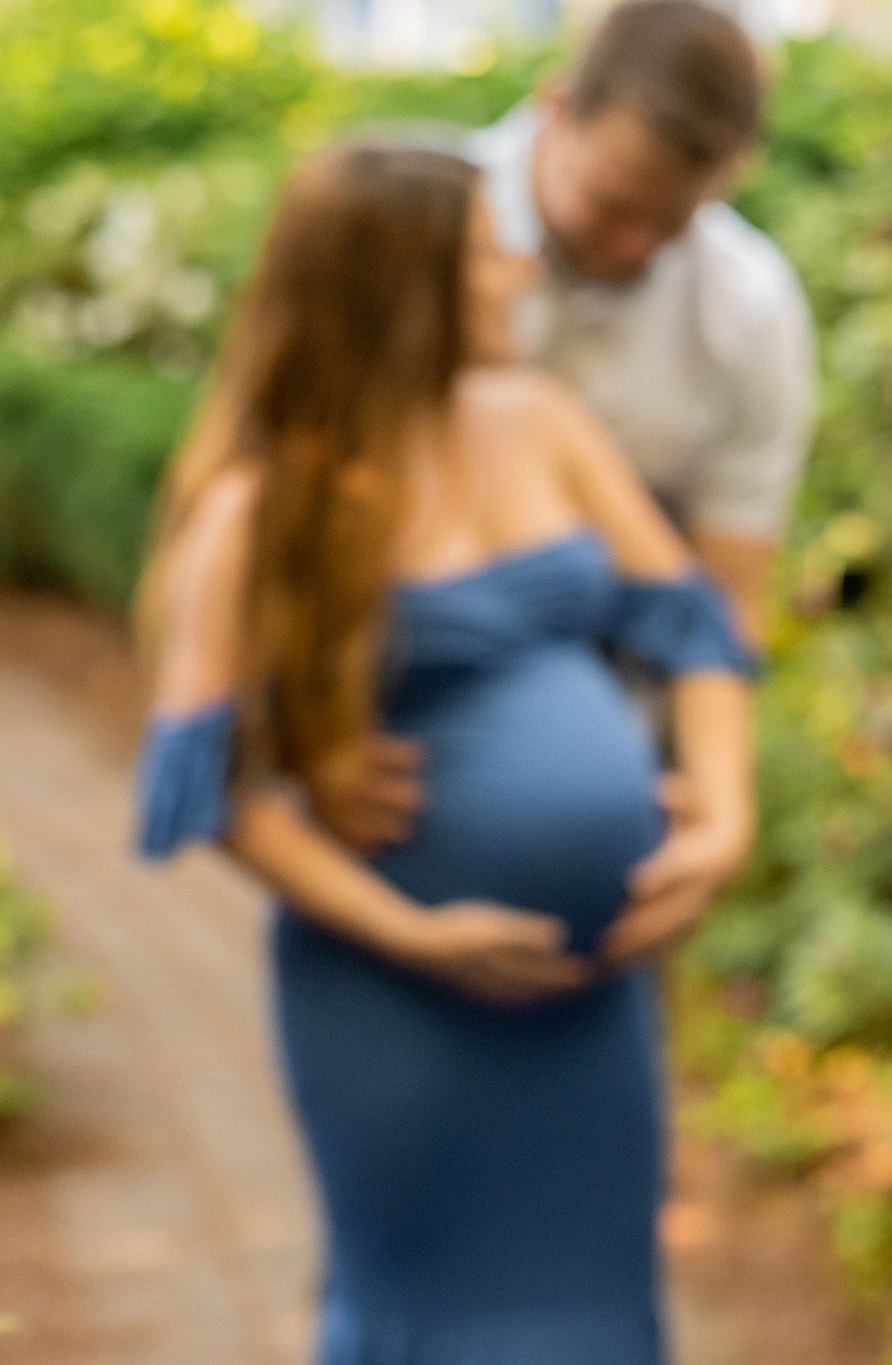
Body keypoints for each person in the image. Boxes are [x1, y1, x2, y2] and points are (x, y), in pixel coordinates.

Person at [132, 140, 755, 1362]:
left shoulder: (542, 421)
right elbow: (209, 783)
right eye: (486, 253)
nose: (522, 272)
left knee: (600, 1314)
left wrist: (722, 818)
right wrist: (413, 934)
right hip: (398, 994)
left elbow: (692, 627)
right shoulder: (262, 504)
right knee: (436, 1321)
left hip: (591, 995)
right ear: (402, 289)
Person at [317, 1, 815, 954]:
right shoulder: (419, 228)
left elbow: (719, 600)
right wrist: (312, 733)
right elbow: (294, 503)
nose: (629, 246)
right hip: (384, 783)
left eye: (668, 222)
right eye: (610, 206)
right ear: (555, 108)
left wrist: (719, 808)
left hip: (621, 818)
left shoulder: (747, 311)